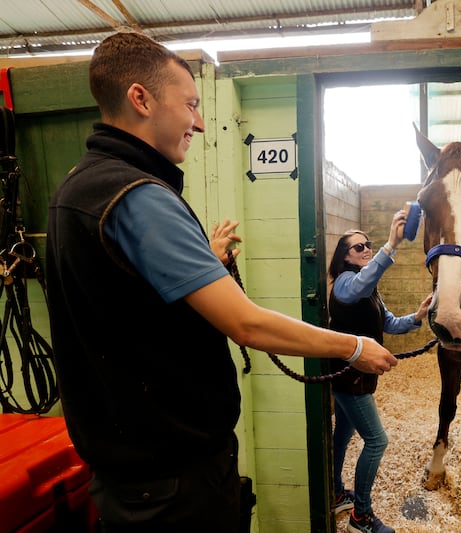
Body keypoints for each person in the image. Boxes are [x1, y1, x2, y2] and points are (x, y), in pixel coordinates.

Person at [45, 31, 397, 533]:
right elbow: (247, 324)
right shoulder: (139, 195)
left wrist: (203, 262)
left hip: (129, 469)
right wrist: (352, 347)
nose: (200, 121)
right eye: (189, 104)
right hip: (174, 477)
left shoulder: (79, 186)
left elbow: (124, 303)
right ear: (141, 99)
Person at [327, 215, 432, 533]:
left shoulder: (370, 289)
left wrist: (417, 316)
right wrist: (391, 243)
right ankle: (361, 515)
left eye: (368, 244)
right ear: (345, 256)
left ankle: (334, 493)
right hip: (350, 377)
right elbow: (358, 286)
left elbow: (388, 323)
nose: (366, 249)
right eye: (359, 246)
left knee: (343, 434)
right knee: (377, 441)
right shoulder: (347, 283)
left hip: (355, 376)